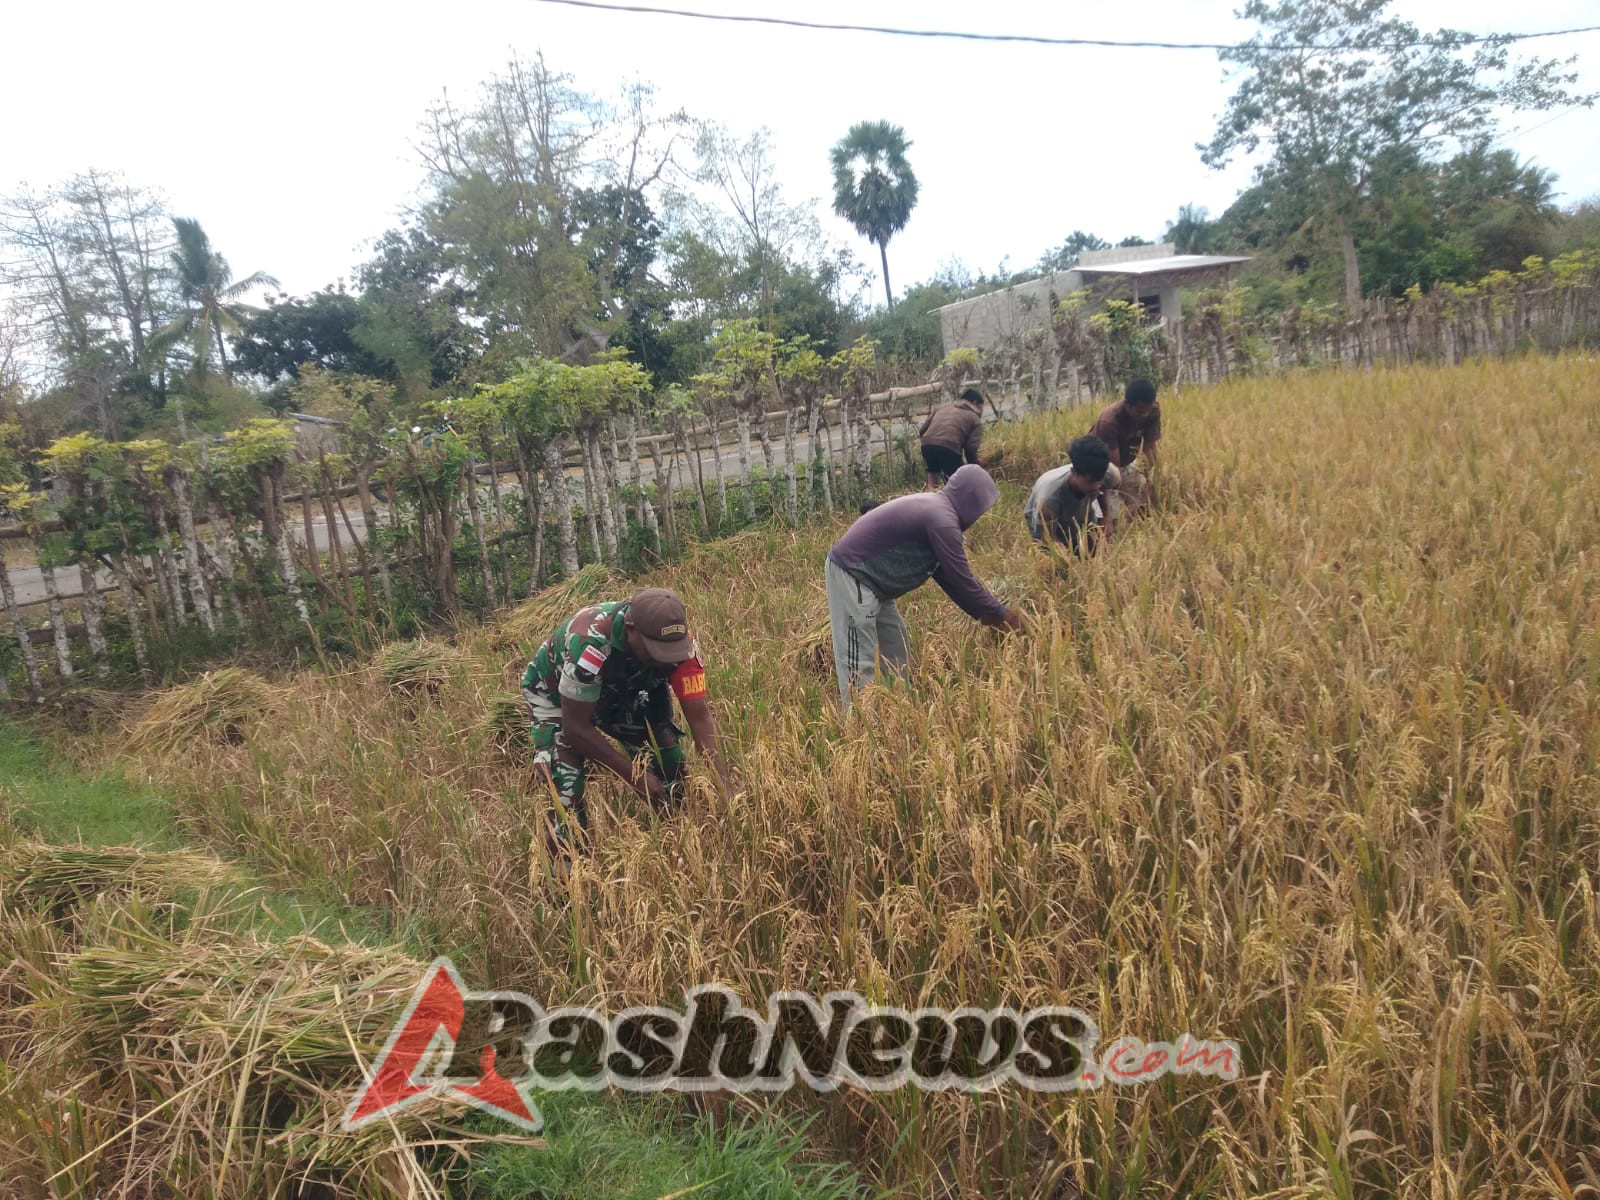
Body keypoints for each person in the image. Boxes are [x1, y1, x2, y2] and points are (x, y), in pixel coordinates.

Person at [520, 586, 732, 859]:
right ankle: (568, 884)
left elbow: (700, 717)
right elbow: (576, 728)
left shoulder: (682, 647)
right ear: (630, 629)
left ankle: (676, 849)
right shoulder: (590, 642)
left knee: (670, 767)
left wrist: (724, 786)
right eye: (656, 650)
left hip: (626, 689)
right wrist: (633, 775)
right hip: (558, 700)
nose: (663, 658)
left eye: (671, 651)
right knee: (565, 792)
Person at [825, 464, 1023, 709]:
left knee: (897, 650)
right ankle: (860, 730)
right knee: (858, 661)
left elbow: (951, 582)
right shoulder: (942, 520)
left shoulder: (938, 512)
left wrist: (987, 615)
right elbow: (963, 580)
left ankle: (898, 715)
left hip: (878, 583)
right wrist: (1002, 615)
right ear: (971, 501)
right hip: (853, 574)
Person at [1088, 378, 1162, 536]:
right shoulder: (1109, 420)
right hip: (1101, 466)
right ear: (1128, 405)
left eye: (1148, 410)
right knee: (1111, 515)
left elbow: (1149, 448)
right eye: (1140, 412)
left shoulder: (1153, 411)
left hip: (1127, 461)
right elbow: (1114, 467)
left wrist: (1154, 478)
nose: (1145, 415)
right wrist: (1128, 498)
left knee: (1146, 504)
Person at [1024, 436, 1119, 557]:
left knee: (1095, 553)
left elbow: (1113, 490)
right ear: (1074, 473)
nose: (1097, 486)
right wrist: (1068, 561)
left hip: (1081, 513)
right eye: (1090, 481)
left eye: (1099, 480)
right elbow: (1046, 540)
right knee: (1057, 564)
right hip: (1048, 526)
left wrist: (1107, 516)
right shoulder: (1048, 499)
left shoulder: (1110, 473)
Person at [918, 387, 985, 487]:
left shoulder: (942, 408)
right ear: (975, 403)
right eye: (981, 406)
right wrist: (976, 465)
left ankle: (931, 494)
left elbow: (922, 430)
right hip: (949, 447)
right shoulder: (974, 418)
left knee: (932, 471)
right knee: (956, 481)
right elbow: (971, 449)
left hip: (926, 445)